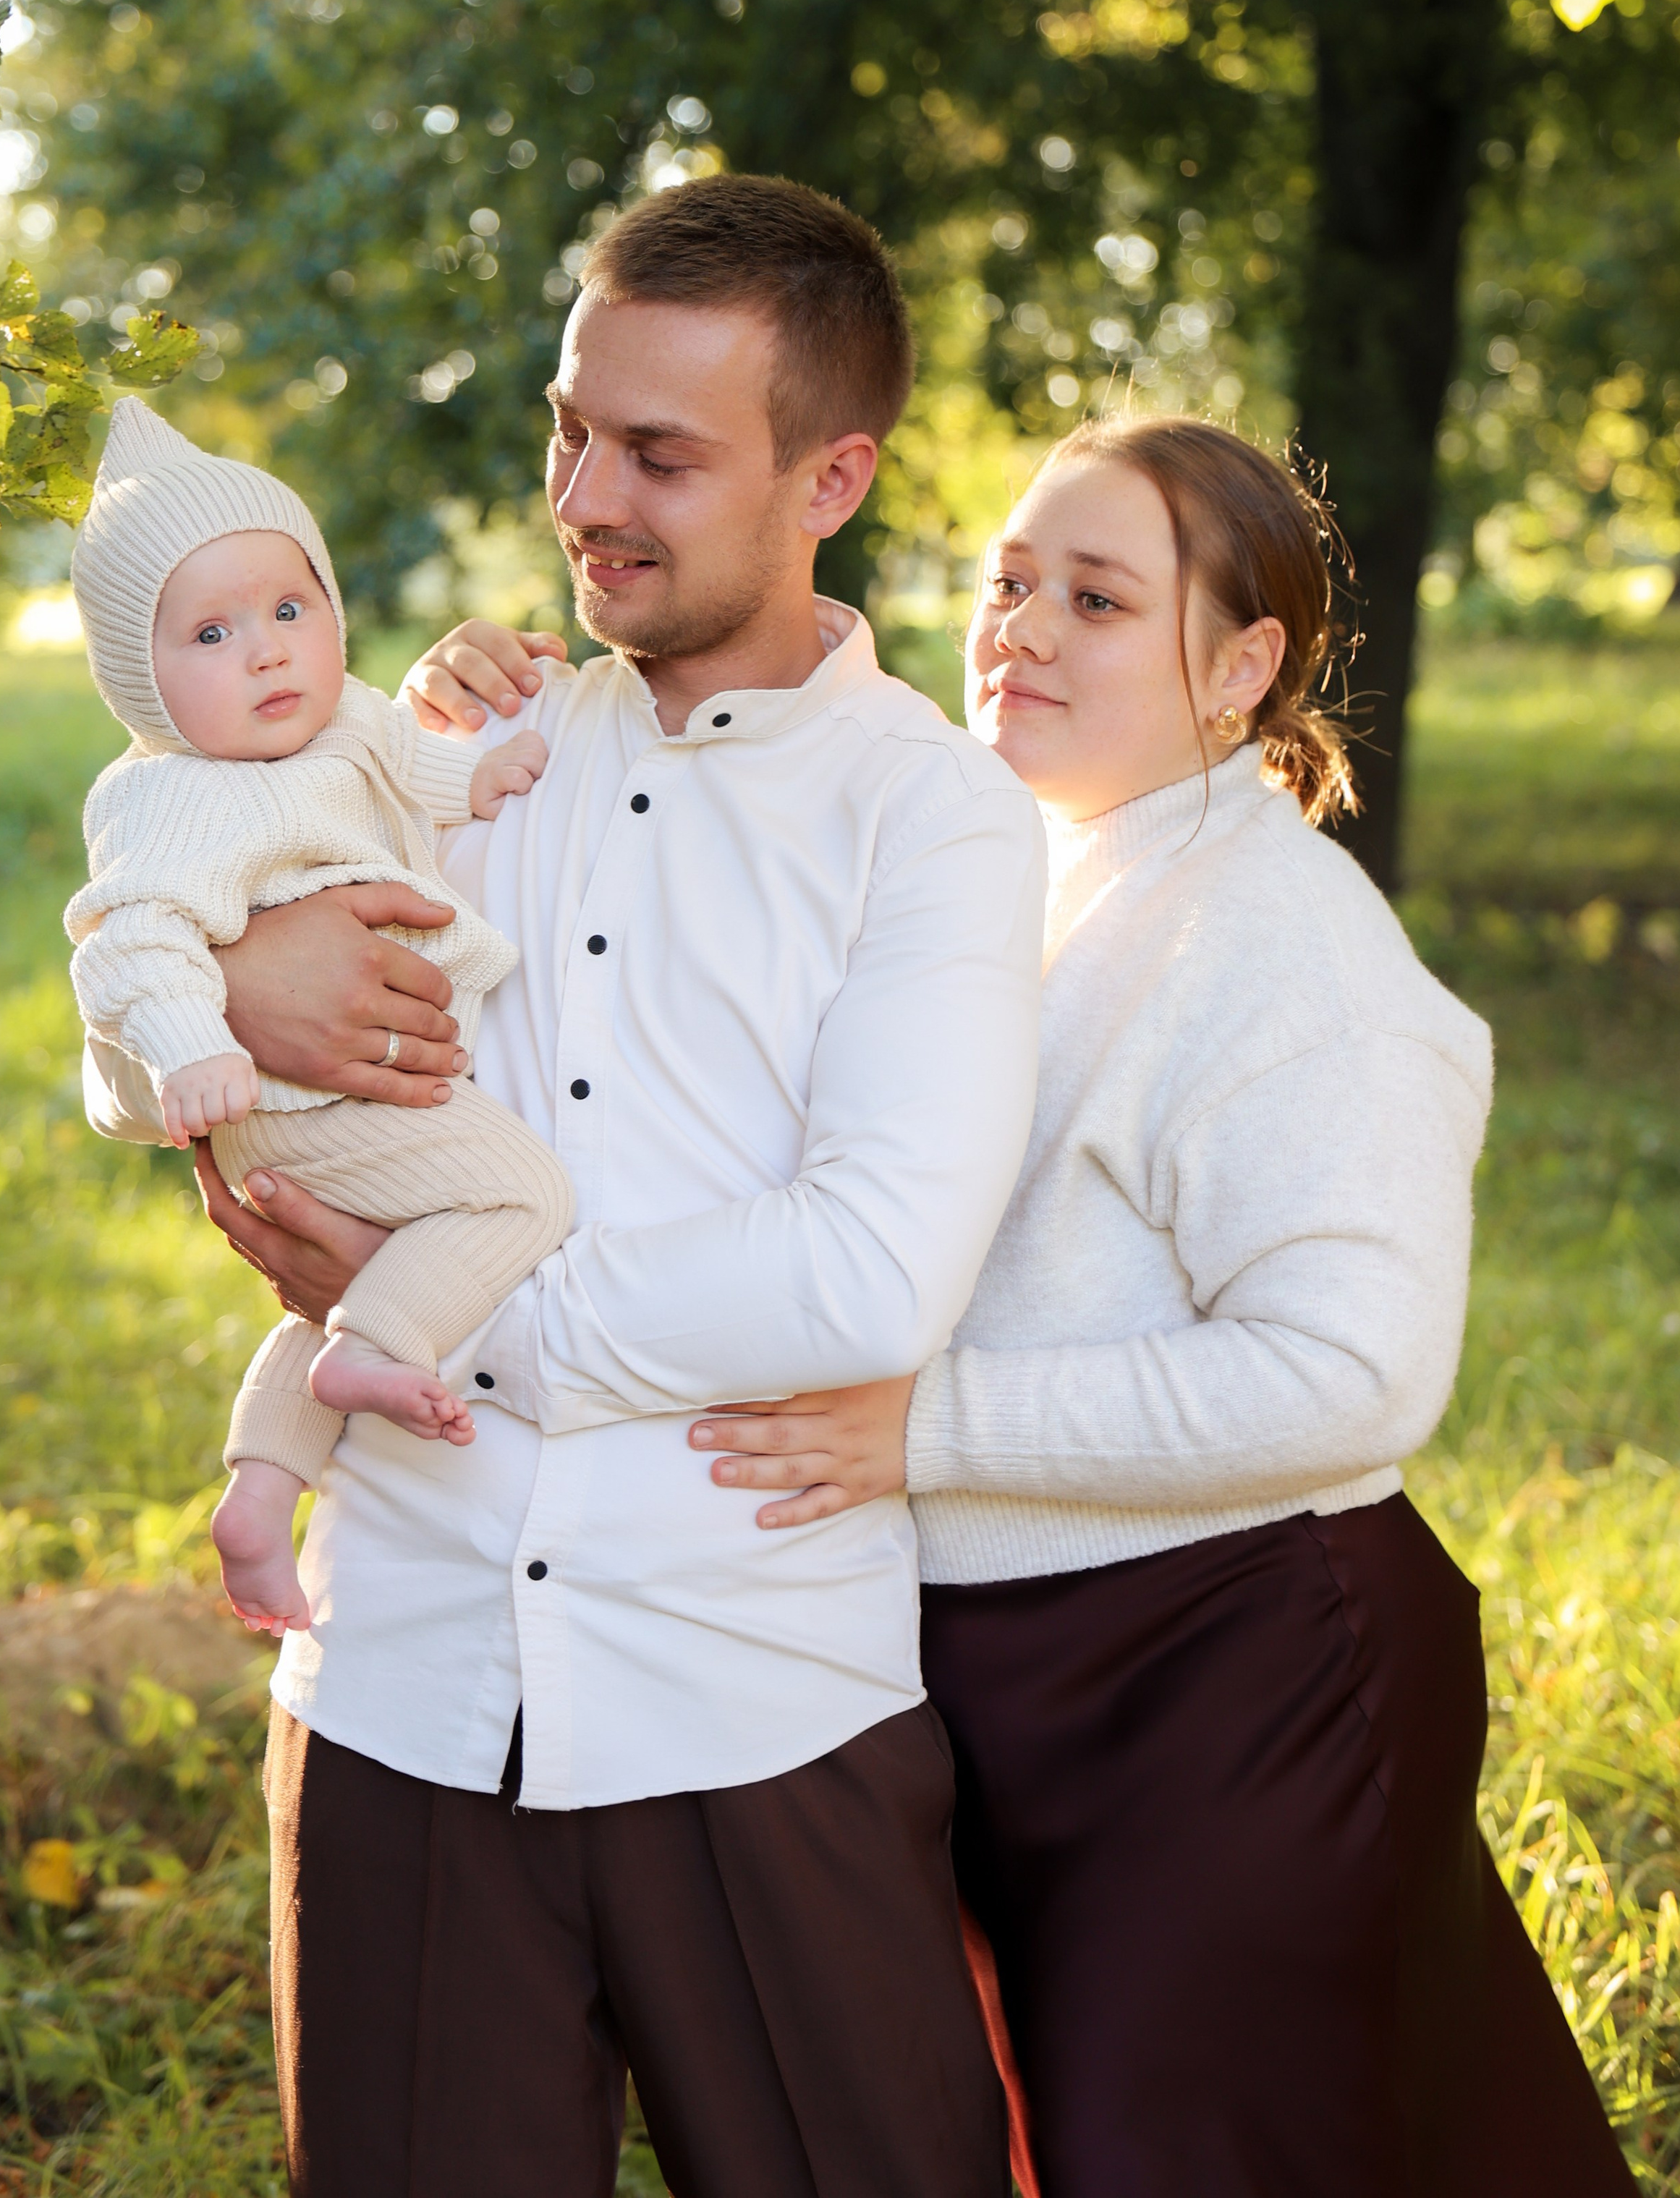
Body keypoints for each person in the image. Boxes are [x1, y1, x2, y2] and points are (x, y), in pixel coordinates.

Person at [137, 176, 1048, 2198]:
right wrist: (236, 984)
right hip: (405, 1678)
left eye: (659, 453)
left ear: (833, 476)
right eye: (570, 427)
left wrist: (427, 1295)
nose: (584, 493)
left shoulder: (936, 819)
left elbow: (866, 1276)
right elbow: (144, 1013)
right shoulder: (456, 755)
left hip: (759, 1699)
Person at [687, 414, 1637, 2195]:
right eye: (1008, 580)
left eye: (1098, 599)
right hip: (1023, 1677)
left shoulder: (1284, 949)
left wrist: (921, 1431)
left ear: (1240, 666)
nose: (1019, 631)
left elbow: (1352, 1373)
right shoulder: (1025, 875)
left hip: (1230, 1673)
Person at [66, 400, 569, 1638]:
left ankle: (259, 1487)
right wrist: (194, 1040)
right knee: (521, 1199)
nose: (267, 653)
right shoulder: (173, 797)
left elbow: (398, 765)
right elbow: (130, 937)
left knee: (371, 1275)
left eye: (291, 611)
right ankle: (375, 1358)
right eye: (212, 633)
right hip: (291, 1103)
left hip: (331, 1099)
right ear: (141, 679)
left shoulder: (340, 720)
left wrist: (478, 777)